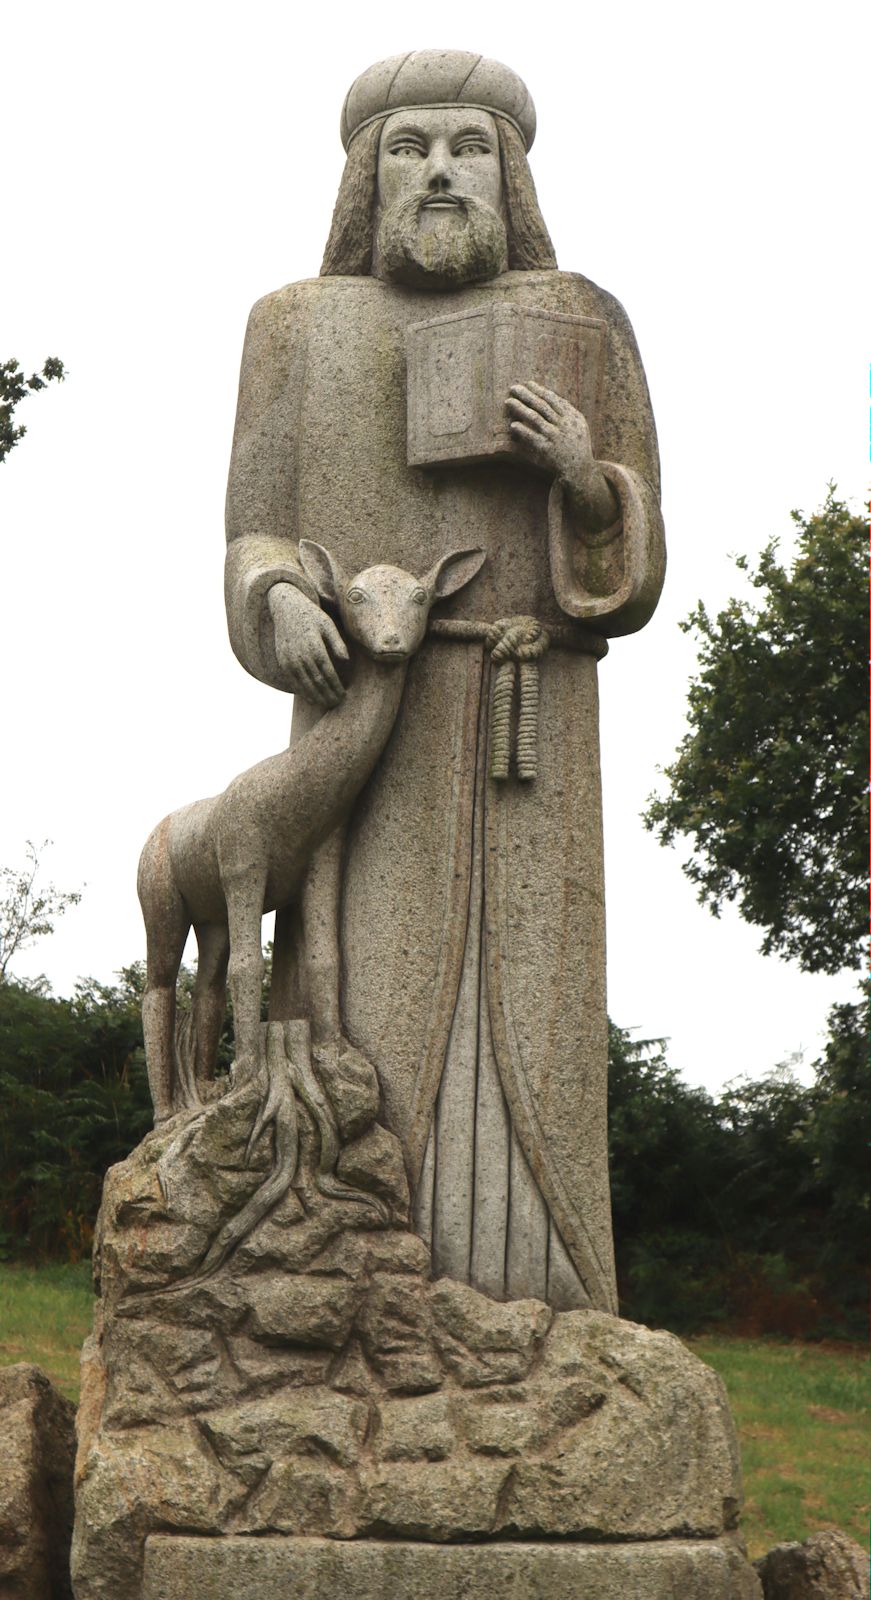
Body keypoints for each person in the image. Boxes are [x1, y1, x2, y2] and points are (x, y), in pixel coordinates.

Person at [224, 50, 665, 1312]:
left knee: (535, 1013)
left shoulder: (582, 319)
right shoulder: (296, 328)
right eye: (409, 146)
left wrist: (582, 477)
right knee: (364, 1006)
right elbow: (249, 530)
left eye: (467, 147)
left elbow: (636, 553)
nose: (436, 171)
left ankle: (553, 1306)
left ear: (509, 175)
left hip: (532, 722)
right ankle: (362, 1275)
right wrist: (277, 597)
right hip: (366, 725)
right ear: (366, 175)